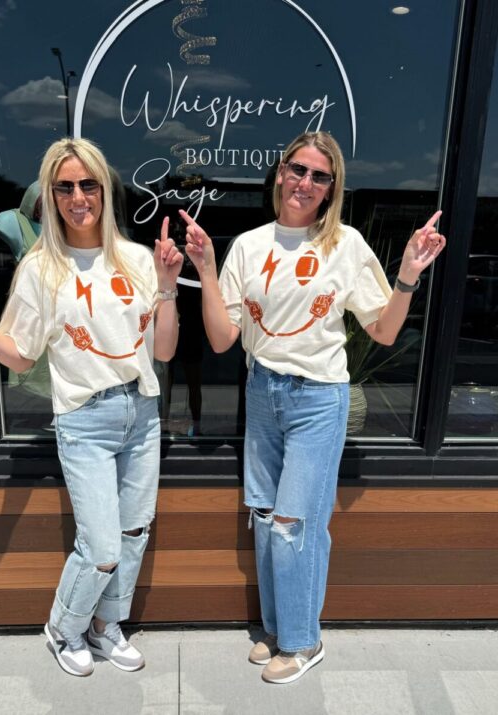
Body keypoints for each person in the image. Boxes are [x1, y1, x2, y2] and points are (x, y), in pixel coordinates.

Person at [181, 131, 446, 684]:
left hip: (318, 398)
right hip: (262, 392)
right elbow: (224, 338)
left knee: (294, 523)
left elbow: (383, 328)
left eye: (319, 176)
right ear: (280, 173)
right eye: (298, 170)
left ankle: (304, 642)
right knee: (264, 517)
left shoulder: (345, 246)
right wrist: (206, 271)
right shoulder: (250, 246)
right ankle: (278, 631)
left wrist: (408, 276)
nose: (305, 183)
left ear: (331, 188)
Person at [0, 137, 183, 677]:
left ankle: (105, 626)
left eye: (88, 184)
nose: (78, 197)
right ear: (50, 194)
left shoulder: (138, 260)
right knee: (100, 546)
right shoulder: (41, 269)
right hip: (85, 421)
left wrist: (166, 288)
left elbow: (162, 351)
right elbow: (20, 358)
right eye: (64, 186)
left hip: (142, 415)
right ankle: (64, 627)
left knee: (134, 532)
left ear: (104, 191)